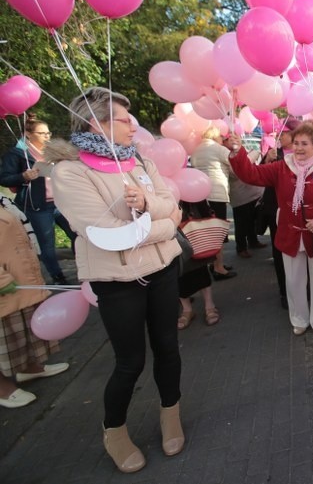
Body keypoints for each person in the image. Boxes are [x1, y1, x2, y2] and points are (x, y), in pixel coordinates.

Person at [46, 87, 185, 473]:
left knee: (168, 348)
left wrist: (152, 210)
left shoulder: (137, 158)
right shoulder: (70, 171)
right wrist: (168, 226)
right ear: (98, 123)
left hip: (162, 270)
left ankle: (170, 413)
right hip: (116, 279)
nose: (132, 126)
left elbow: (169, 203)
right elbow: (106, 232)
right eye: (125, 120)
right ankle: (115, 431)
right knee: (130, 362)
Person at [227, 121, 313, 336]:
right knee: (293, 281)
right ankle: (299, 319)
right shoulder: (282, 167)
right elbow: (252, 175)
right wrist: (238, 153)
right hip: (289, 234)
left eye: (305, 143)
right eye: (296, 143)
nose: (299, 148)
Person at [0, 196, 69, 409]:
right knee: (5, 333)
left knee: (21, 327)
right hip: (6, 283)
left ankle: (29, 368)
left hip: (19, 276)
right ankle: (3, 389)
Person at [0, 116, 75, 285]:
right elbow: (4, 178)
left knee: (77, 235)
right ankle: (58, 277)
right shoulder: (18, 153)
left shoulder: (55, 151)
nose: (47, 137)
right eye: (42, 133)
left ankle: (84, 268)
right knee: (47, 244)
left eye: (48, 133)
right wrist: (23, 176)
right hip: (37, 206)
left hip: (61, 202)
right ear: (28, 134)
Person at [256, 118, 300, 310]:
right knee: (280, 251)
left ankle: (302, 290)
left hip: (300, 211)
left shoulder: (302, 153)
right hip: (277, 210)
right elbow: (258, 175)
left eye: (284, 133)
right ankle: (284, 292)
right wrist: (266, 160)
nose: (279, 137)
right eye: (279, 134)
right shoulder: (274, 154)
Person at [190, 127, 236, 280]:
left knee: (209, 231)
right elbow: (235, 161)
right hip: (216, 194)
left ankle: (214, 263)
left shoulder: (197, 150)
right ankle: (219, 267)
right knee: (218, 232)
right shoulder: (217, 149)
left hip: (201, 194)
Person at [177, 200, 221, 328]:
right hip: (166, 221)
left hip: (190, 218)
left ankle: (209, 305)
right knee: (177, 269)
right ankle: (187, 309)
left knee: (199, 264)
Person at [223, 135, 267, 259]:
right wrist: (253, 154)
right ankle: (241, 247)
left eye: (234, 138)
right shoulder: (225, 153)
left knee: (252, 219)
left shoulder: (240, 149)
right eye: (229, 139)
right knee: (241, 222)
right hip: (240, 195)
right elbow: (235, 172)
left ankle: (253, 241)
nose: (233, 141)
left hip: (252, 191)